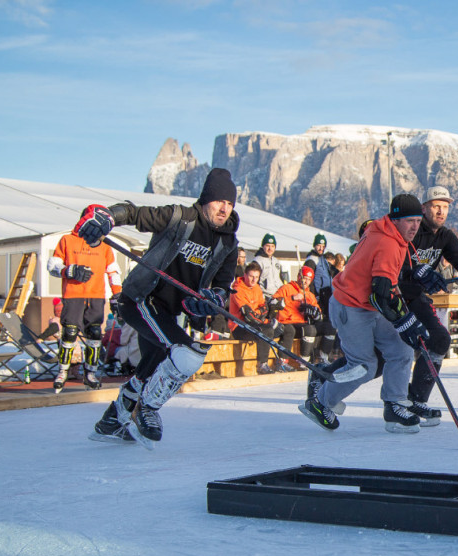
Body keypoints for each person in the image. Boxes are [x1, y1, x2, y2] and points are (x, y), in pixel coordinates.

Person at [73, 167, 241, 446]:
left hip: (167, 311)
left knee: (152, 364)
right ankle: (147, 410)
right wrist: (105, 216)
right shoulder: (179, 217)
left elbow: (223, 286)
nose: (224, 208)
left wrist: (212, 300)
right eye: (219, 201)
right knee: (186, 354)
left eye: (229, 203)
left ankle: (112, 420)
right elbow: (134, 214)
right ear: (205, 200)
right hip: (140, 299)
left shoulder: (228, 242)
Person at [300, 194, 430, 434]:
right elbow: (381, 293)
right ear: (395, 219)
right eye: (409, 220)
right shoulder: (389, 242)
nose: (414, 227)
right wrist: (407, 322)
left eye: (418, 221)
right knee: (364, 366)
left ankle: (395, 406)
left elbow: (387, 285)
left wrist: (419, 279)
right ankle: (320, 403)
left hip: (368, 304)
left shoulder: (390, 233)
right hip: (351, 305)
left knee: (401, 350)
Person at [396, 185, 458, 426]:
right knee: (378, 358)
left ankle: (417, 399)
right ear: (424, 208)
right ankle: (324, 378)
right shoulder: (410, 230)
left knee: (440, 339)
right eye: (436, 206)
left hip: (416, 298)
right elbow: (396, 263)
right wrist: (418, 270)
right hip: (392, 296)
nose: (441, 211)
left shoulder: (446, 236)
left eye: (445, 207)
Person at [46, 230, 123, 393]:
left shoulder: (104, 244)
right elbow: (53, 265)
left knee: (94, 333)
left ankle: (90, 374)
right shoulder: (67, 240)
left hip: (96, 296)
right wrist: (68, 271)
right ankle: (63, 372)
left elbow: (113, 270)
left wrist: (116, 293)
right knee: (69, 333)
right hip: (73, 295)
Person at [228, 262, 296, 374]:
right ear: (245, 275)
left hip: (257, 323)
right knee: (267, 329)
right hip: (239, 326)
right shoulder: (238, 290)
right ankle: (262, 365)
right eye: (251, 276)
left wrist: (265, 317)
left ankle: (282, 362)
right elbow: (248, 316)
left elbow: (264, 308)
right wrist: (265, 320)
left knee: (288, 329)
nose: (254, 280)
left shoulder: (257, 288)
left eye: (256, 277)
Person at [275, 265, 334, 363]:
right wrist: (292, 298)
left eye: (309, 279)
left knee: (330, 327)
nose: (306, 281)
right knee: (309, 329)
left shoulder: (310, 295)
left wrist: (315, 313)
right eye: (304, 278)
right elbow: (274, 303)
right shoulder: (287, 288)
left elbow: (318, 314)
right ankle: (303, 362)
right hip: (288, 321)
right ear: (299, 276)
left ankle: (323, 357)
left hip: (303, 323)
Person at [250, 233, 287, 299]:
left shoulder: (276, 261)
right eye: (267, 246)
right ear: (263, 246)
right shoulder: (258, 261)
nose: (270, 249)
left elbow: (281, 278)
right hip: (265, 296)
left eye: (272, 246)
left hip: (279, 295)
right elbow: (253, 281)